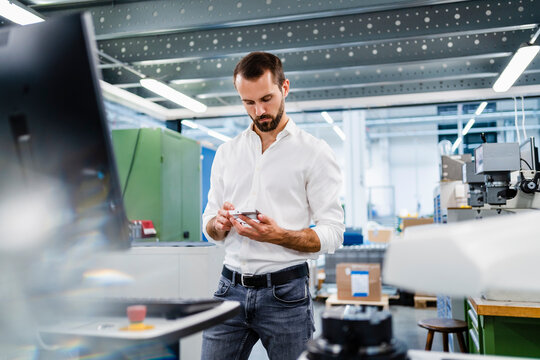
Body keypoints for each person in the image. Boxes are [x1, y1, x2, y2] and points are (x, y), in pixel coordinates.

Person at [201, 51, 345, 360]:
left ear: (285, 88)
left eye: (266, 99)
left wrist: (277, 235)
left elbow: (333, 233)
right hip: (229, 289)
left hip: (286, 295)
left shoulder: (315, 153)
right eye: (249, 103)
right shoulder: (227, 153)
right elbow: (209, 224)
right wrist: (220, 224)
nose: (260, 110)